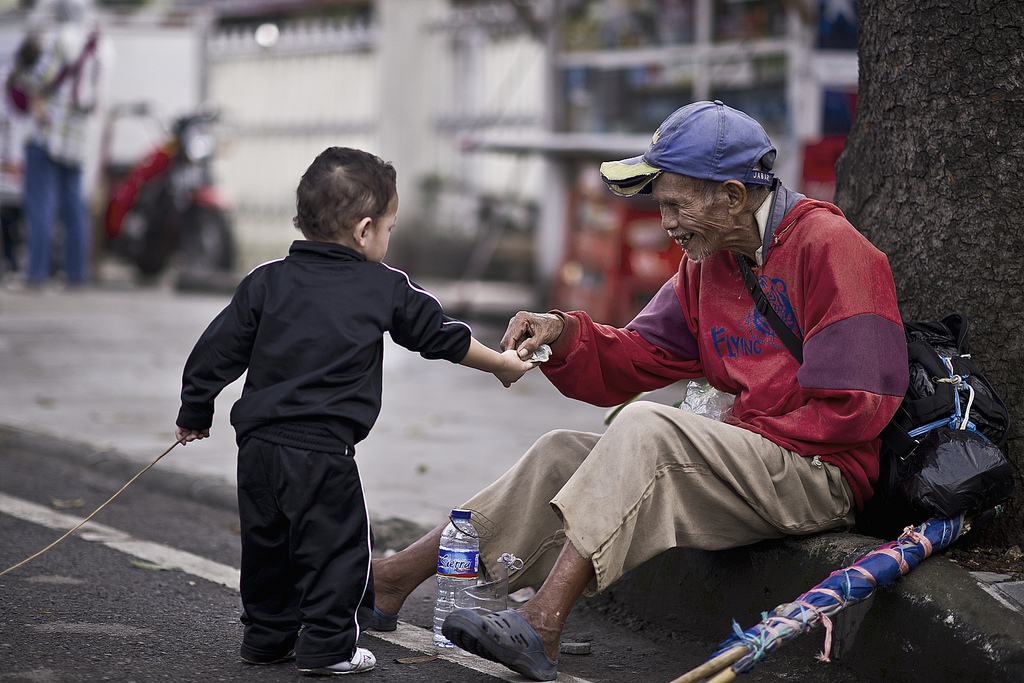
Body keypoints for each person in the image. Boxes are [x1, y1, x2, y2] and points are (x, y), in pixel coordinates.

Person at [368, 101, 910, 681]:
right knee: (559, 451)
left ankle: (544, 622)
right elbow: (640, 354)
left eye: (677, 204)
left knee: (648, 429)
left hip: (820, 472)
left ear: (731, 195)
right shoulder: (707, 263)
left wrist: (727, 434)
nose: (668, 222)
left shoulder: (831, 246)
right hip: (753, 459)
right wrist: (565, 332)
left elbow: (857, 404)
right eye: (662, 205)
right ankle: (390, 582)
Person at [173, 147, 534, 676]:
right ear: (365, 230)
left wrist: (195, 411)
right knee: (338, 551)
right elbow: (440, 336)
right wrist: (501, 364)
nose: (387, 239)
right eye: (389, 227)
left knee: (267, 547)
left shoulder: (265, 281)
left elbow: (215, 351)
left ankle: (267, 639)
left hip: (257, 450)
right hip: (322, 454)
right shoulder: (383, 285)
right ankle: (328, 646)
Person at [18, 0, 102, 288]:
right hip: (78, 139)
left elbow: (39, 78)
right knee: (75, 209)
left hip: (49, 133)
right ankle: (77, 275)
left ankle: (37, 274)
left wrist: (20, 72)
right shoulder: (101, 44)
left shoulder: (60, 38)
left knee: (41, 205)